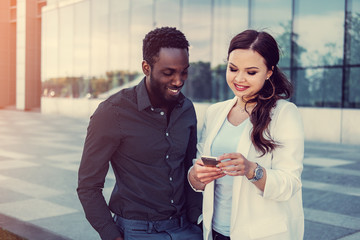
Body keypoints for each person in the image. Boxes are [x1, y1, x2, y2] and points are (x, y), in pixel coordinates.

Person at [77, 27, 203, 240]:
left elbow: (188, 167)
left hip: (186, 229)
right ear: (146, 67)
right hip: (138, 232)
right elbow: (88, 186)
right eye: (168, 72)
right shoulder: (112, 112)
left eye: (184, 71)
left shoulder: (187, 109)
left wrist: (196, 221)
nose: (179, 80)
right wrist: (111, 235)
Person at [188, 29, 304, 240]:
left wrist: (252, 170)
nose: (239, 78)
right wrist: (196, 176)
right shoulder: (215, 112)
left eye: (251, 72)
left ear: (269, 72)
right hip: (215, 231)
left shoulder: (284, 114)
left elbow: (290, 184)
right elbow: (197, 176)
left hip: (261, 234)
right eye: (233, 69)